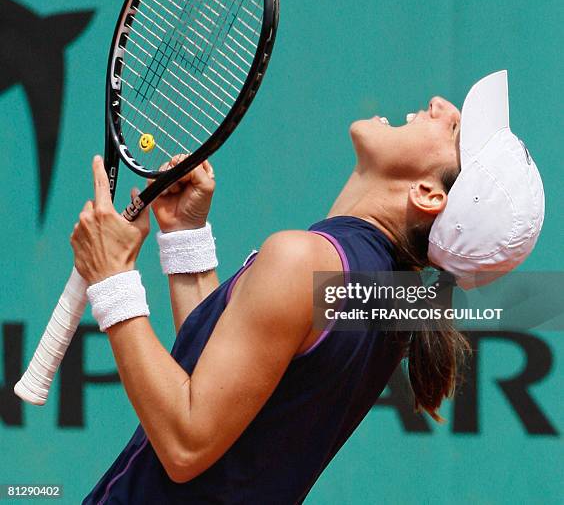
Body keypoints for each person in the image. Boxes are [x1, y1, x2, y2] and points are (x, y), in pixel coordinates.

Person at [75, 70, 544, 504]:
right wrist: (186, 238)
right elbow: (229, 379)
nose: (442, 105)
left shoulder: (305, 262)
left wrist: (113, 279)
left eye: (454, 131)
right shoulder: (390, 297)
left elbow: (186, 443)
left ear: (428, 194)